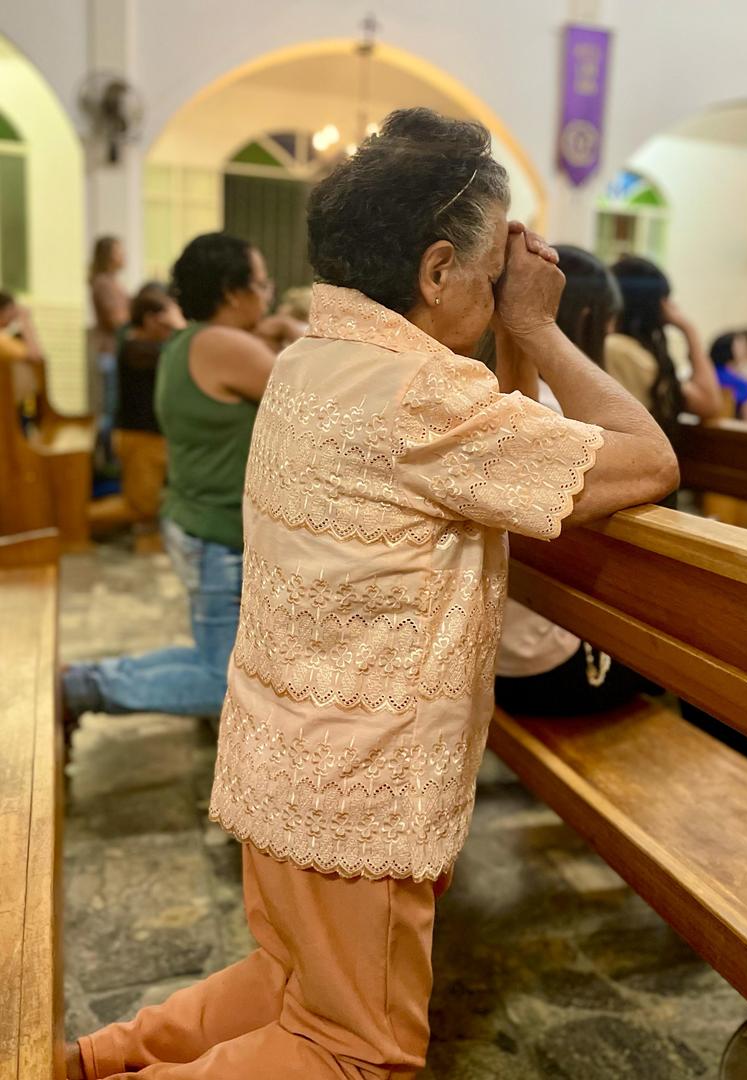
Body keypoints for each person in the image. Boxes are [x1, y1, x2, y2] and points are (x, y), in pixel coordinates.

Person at [67, 108, 678, 1080]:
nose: (499, 288)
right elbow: (650, 460)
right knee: (352, 1054)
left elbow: (505, 434)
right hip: (361, 796)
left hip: (283, 765)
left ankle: (92, 1060)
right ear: (436, 271)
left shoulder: (311, 361)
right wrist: (536, 324)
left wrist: (508, 325)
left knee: (284, 985)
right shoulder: (421, 399)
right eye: (489, 270)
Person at [62, 233, 279, 736]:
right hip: (217, 538)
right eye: (261, 284)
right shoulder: (226, 345)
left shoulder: (188, 340)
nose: (267, 295)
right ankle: (81, 688)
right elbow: (317, 396)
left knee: (213, 657)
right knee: (224, 681)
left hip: (195, 524)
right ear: (232, 292)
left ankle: (83, 678)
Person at [494, 246, 661, 715]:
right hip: (537, 661)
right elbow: (658, 462)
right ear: (589, 317)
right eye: (609, 321)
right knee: (685, 660)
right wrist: (534, 326)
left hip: (497, 651)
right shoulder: (556, 414)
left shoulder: (498, 392)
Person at [606, 255, 724, 434]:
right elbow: (708, 403)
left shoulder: (615, 347)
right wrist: (689, 330)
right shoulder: (622, 351)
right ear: (659, 306)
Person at [112, 284, 185, 527]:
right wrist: (180, 328)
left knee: (149, 505)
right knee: (141, 508)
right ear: (149, 319)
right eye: (164, 324)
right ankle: (74, 522)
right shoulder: (135, 348)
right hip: (139, 437)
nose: (168, 331)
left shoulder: (141, 346)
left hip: (150, 437)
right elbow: (180, 355)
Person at [89, 236, 131, 459]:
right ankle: (104, 460)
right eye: (119, 250)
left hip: (115, 351)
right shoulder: (103, 283)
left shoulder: (113, 282)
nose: (123, 255)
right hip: (109, 351)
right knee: (109, 408)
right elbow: (116, 320)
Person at [709, 331, 747, 420]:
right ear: (728, 349)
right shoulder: (735, 381)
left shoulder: (710, 374)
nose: (745, 350)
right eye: (740, 346)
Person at [0, 290, 44, 363]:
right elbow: (35, 357)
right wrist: (25, 319)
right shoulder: (2, 340)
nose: (14, 313)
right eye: (11, 308)